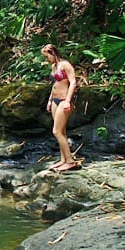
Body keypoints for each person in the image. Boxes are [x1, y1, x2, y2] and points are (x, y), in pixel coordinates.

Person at [42, 43, 79, 172]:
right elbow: (55, 84)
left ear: (53, 53)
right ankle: (63, 159)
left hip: (64, 100)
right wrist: (50, 100)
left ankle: (70, 161)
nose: (46, 59)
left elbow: (73, 82)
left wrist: (68, 101)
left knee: (56, 131)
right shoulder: (54, 66)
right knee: (61, 131)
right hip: (55, 100)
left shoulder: (66, 65)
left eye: (47, 56)